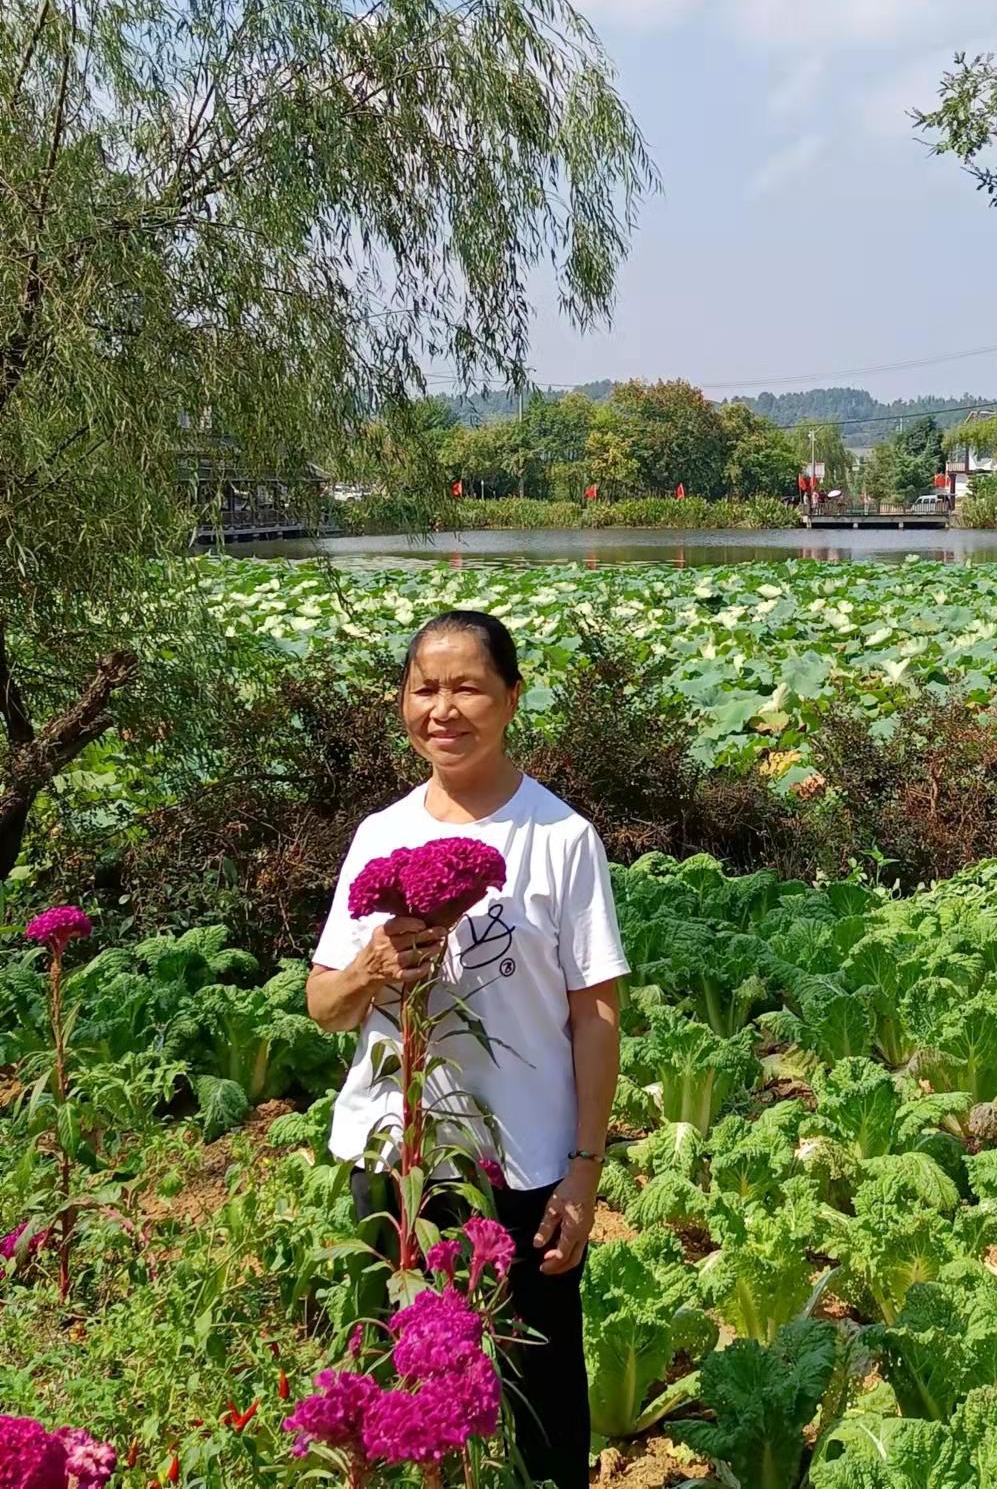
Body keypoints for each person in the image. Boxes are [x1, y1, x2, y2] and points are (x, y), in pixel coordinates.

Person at [305, 610, 627, 1489]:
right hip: (388, 1148)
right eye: (423, 688)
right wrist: (372, 966)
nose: (442, 710)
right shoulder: (379, 834)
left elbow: (596, 1015)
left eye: (467, 687)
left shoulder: (560, 839)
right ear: (402, 700)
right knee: (389, 1375)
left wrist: (584, 1168)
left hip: (518, 1163)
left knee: (536, 1385)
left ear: (512, 698)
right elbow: (323, 1006)